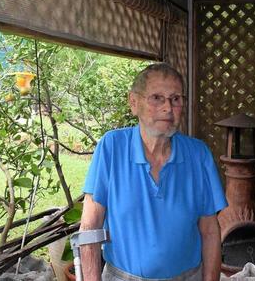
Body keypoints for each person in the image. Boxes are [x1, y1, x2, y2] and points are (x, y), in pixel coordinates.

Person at [80, 63, 227, 281]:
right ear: (134, 102)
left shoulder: (198, 154)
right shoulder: (112, 148)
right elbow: (90, 227)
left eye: (176, 99)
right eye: (157, 97)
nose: (168, 108)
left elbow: (210, 231)